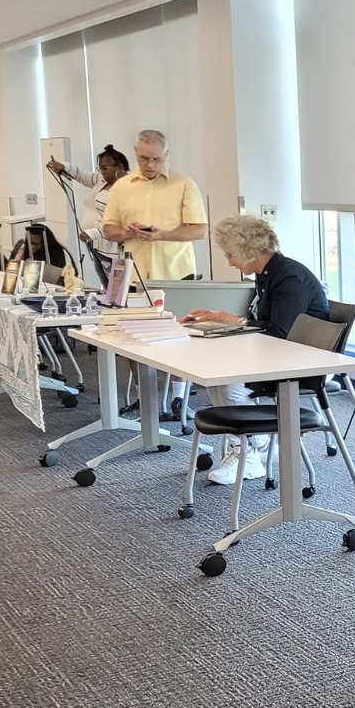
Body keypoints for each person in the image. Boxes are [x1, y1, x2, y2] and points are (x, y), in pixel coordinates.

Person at [179, 215, 330, 485]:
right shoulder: (267, 274)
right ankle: (252, 445)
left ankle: (250, 453)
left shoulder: (289, 278)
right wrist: (219, 318)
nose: (229, 262)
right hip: (276, 355)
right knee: (215, 381)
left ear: (250, 249)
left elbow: (279, 334)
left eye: (231, 255)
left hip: (299, 363)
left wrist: (232, 321)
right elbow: (262, 326)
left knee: (230, 387)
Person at [100, 130, 207, 282]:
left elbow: (200, 230)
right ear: (135, 151)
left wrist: (163, 235)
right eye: (144, 158)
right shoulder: (121, 187)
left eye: (157, 159)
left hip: (177, 275)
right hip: (135, 276)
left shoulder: (184, 184)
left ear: (166, 154)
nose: (150, 164)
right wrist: (126, 233)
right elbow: (108, 230)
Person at [48, 144, 130, 278]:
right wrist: (64, 167)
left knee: (114, 290)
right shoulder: (102, 180)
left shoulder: (127, 190)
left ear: (120, 167)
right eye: (100, 168)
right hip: (96, 245)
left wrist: (92, 233)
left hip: (112, 250)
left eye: (105, 168)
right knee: (105, 289)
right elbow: (81, 175)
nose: (102, 172)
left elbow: (118, 223)